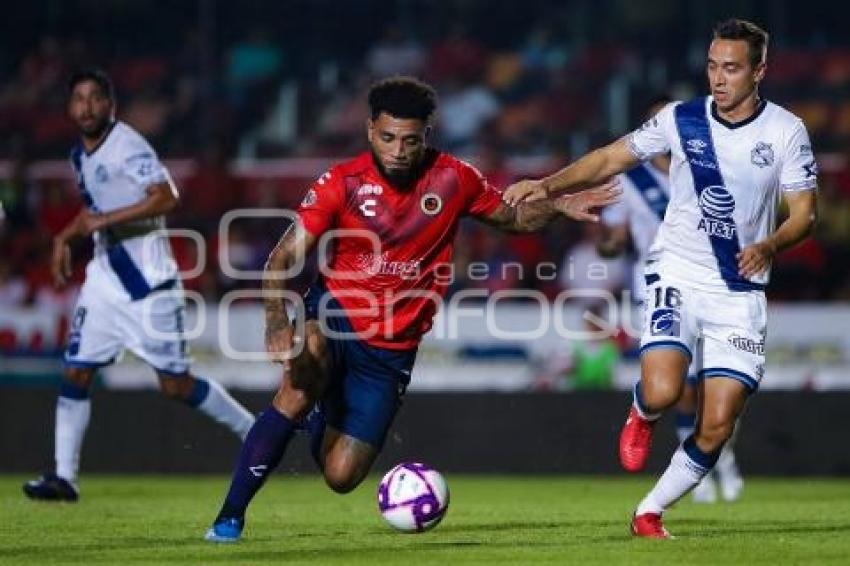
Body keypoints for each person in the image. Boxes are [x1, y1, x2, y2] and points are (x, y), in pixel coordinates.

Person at [204, 76, 620, 542]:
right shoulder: (342, 183)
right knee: (300, 381)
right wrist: (277, 321)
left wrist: (559, 205)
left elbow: (514, 217)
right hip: (337, 313)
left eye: (410, 140)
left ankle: (325, 404)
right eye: (387, 138)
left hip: (391, 351)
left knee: (341, 477)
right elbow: (282, 256)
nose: (398, 150)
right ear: (369, 131)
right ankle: (229, 517)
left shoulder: (454, 178)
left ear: (427, 134)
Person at [504, 19, 817, 538]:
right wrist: (547, 184)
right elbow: (610, 156)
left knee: (716, 426)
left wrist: (769, 244)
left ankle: (649, 512)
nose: (719, 78)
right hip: (677, 270)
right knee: (665, 390)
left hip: (739, 290)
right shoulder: (680, 119)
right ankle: (642, 411)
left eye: (732, 68)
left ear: (760, 71)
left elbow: (804, 214)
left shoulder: (785, 131)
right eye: (713, 66)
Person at [23, 69, 255, 502]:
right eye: (79, 98)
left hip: (148, 283)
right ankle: (64, 477)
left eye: (96, 98)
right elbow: (94, 211)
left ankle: (254, 432)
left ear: (110, 105)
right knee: (76, 371)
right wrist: (65, 236)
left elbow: (166, 196)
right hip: (105, 280)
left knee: (176, 385)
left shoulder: (126, 144)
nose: (87, 106)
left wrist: (102, 223)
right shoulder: (80, 157)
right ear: (70, 108)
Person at [597, 96, 743, 504]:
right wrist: (606, 241)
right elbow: (615, 242)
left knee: (720, 387)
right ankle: (701, 470)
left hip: (716, 287)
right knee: (681, 387)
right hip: (659, 288)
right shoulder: (631, 182)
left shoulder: (711, 171)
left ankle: (723, 460)